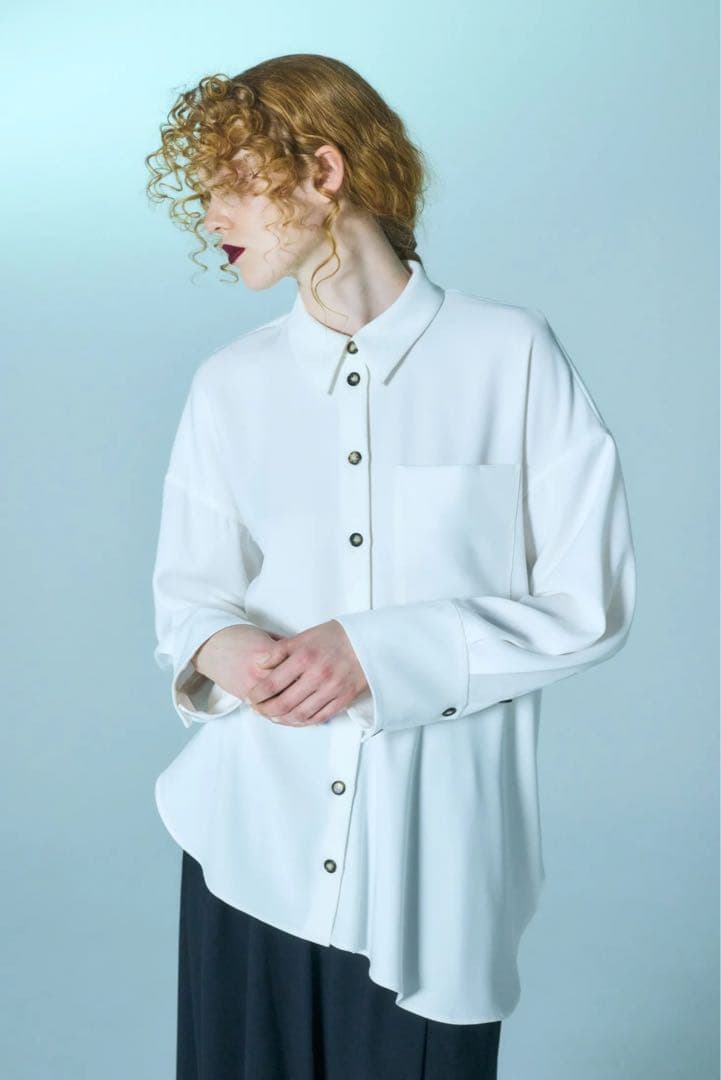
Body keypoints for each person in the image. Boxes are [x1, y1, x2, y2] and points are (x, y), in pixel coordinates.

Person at [146, 53, 637, 1080]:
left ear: (322, 172)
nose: (211, 215)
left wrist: (376, 651)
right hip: (251, 842)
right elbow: (189, 597)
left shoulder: (510, 356)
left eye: (232, 181)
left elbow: (587, 604)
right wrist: (224, 649)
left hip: (435, 870)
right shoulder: (229, 386)